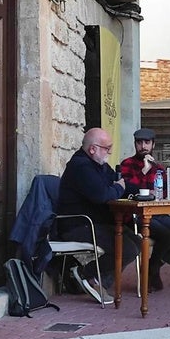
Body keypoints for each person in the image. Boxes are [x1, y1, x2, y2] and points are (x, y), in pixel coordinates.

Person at [57, 127, 140, 304]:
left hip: (96, 223)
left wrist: (143, 192)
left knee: (138, 242)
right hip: (78, 225)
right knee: (127, 248)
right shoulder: (80, 166)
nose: (109, 152)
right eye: (106, 148)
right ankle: (86, 274)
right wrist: (119, 188)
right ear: (93, 149)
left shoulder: (98, 164)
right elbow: (103, 195)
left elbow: (119, 182)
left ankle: (99, 280)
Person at [120, 128, 170, 292]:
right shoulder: (127, 164)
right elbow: (126, 190)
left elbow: (166, 193)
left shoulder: (159, 168)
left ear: (153, 144)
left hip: (158, 213)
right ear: (135, 144)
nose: (143, 146)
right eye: (139, 143)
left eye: (147, 143)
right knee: (168, 236)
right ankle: (151, 271)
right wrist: (143, 171)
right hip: (135, 216)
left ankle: (153, 266)